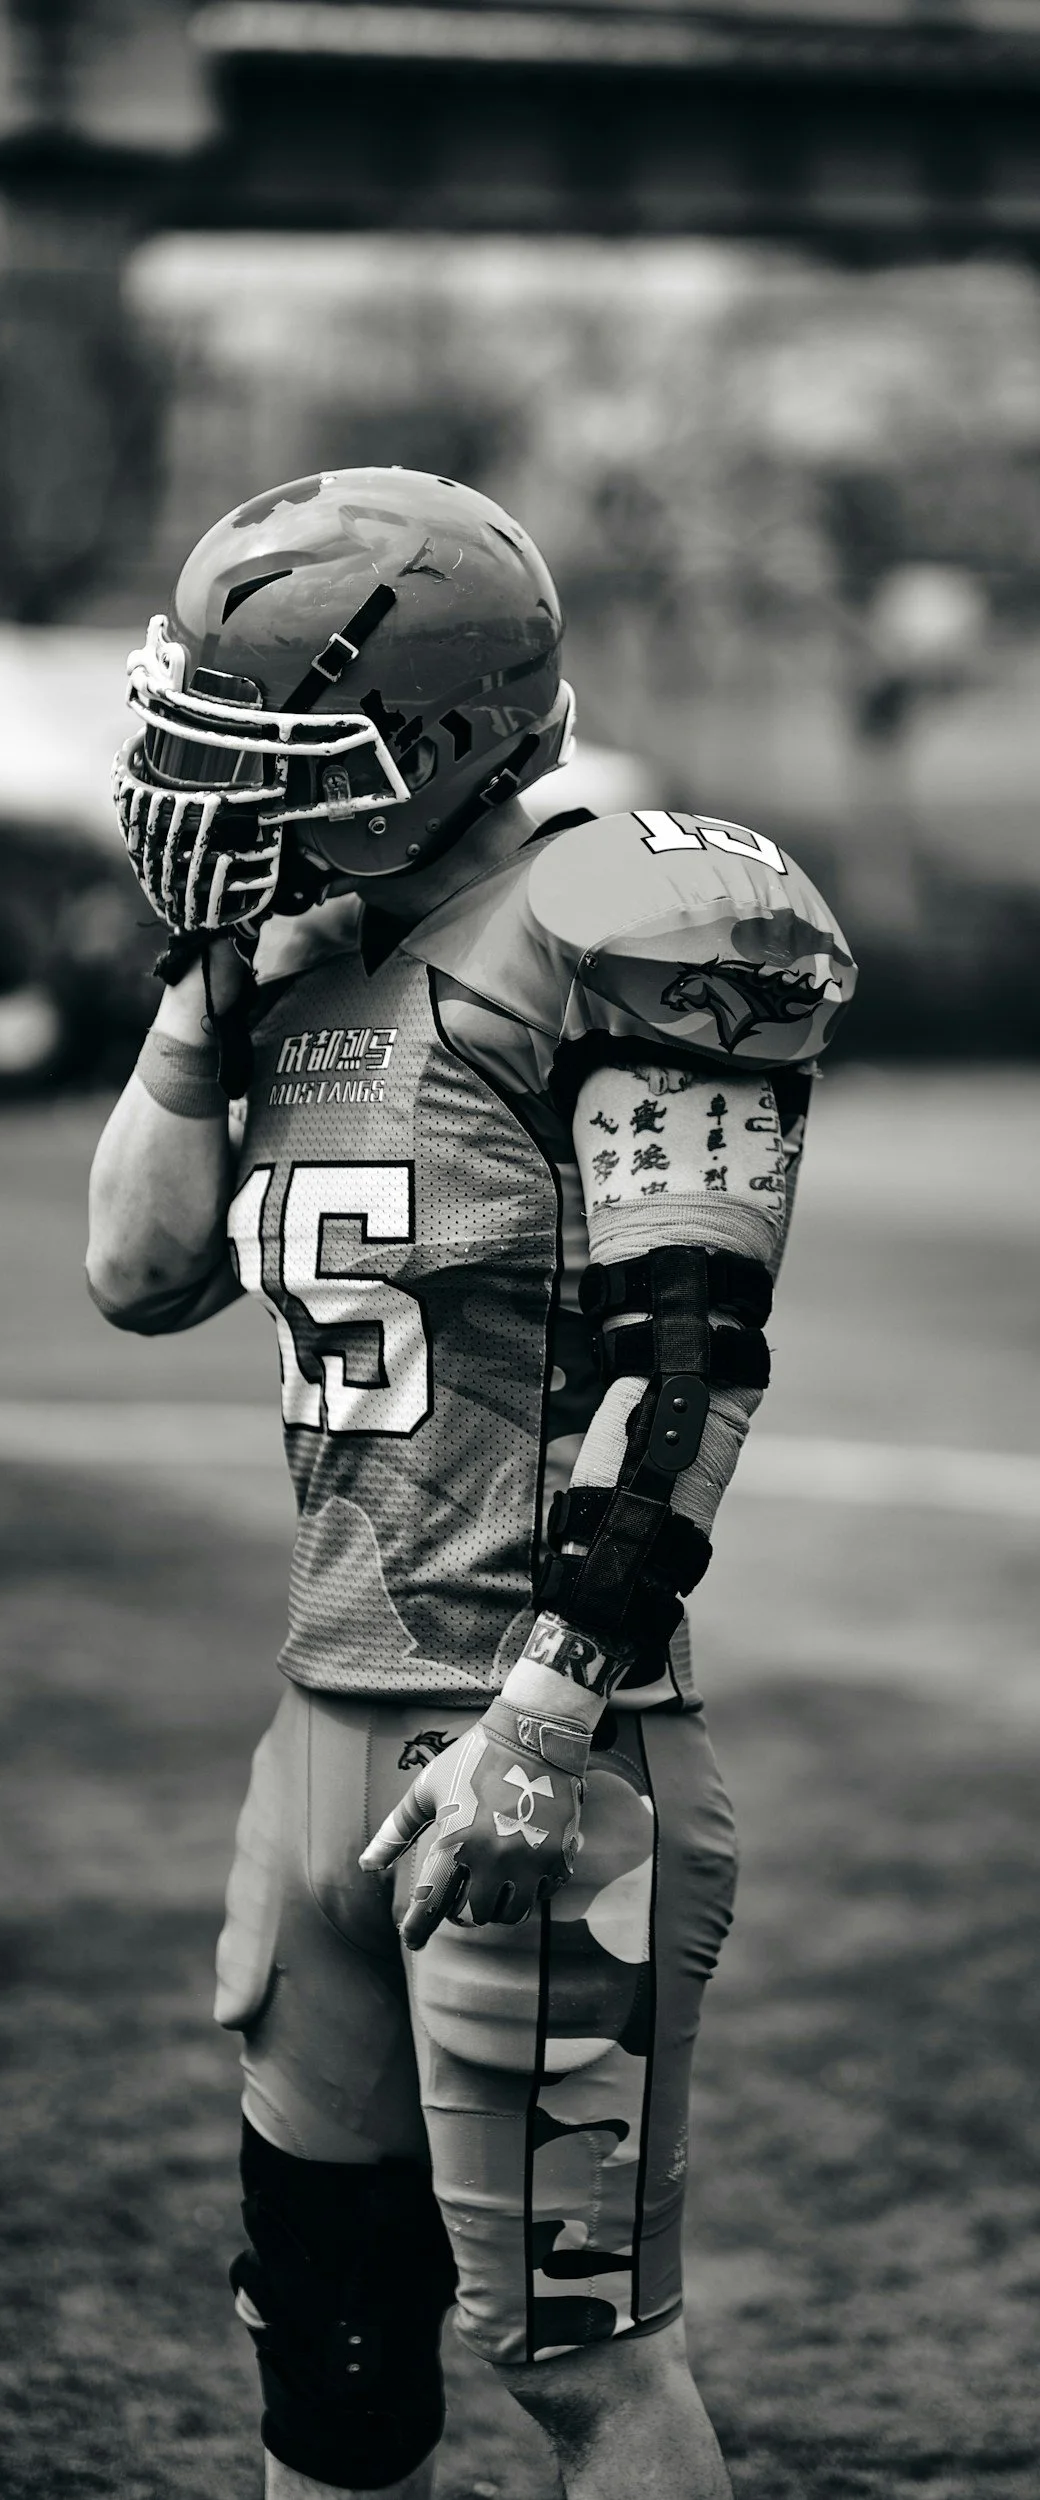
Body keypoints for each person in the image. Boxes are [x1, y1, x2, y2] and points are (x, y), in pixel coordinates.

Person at [87, 470, 854, 2500]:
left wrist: (549, 1701)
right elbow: (136, 1271)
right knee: (325, 2341)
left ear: (421, 743)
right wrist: (195, 1013)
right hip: (323, 1720)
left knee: (578, 2358)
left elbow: (682, 1357)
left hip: (531, 1735)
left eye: (260, 729)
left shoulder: (626, 924)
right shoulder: (310, 953)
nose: (200, 770)